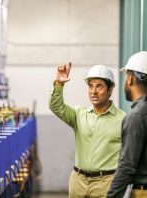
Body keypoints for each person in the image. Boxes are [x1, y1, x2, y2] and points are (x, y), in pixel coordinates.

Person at [49, 62, 125, 198]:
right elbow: (56, 106)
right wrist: (59, 84)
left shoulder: (123, 119)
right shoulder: (79, 114)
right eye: (90, 86)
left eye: (99, 86)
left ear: (110, 90)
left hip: (106, 183)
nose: (93, 91)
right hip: (78, 181)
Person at [107, 51, 147, 198]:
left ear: (130, 79)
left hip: (141, 194)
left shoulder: (135, 117)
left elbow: (126, 167)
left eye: (125, 77)